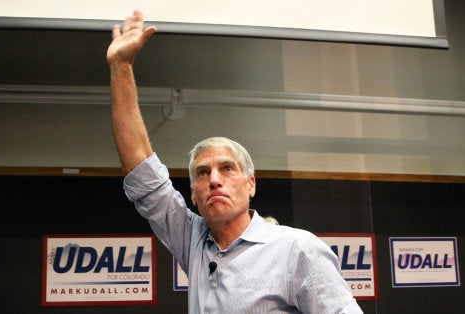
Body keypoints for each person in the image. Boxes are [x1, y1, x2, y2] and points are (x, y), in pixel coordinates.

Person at [108, 10, 363, 313]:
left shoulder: (296, 249)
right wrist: (121, 66)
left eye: (227, 168)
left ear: (250, 183)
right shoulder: (192, 241)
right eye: (202, 173)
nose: (214, 179)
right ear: (193, 194)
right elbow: (141, 171)